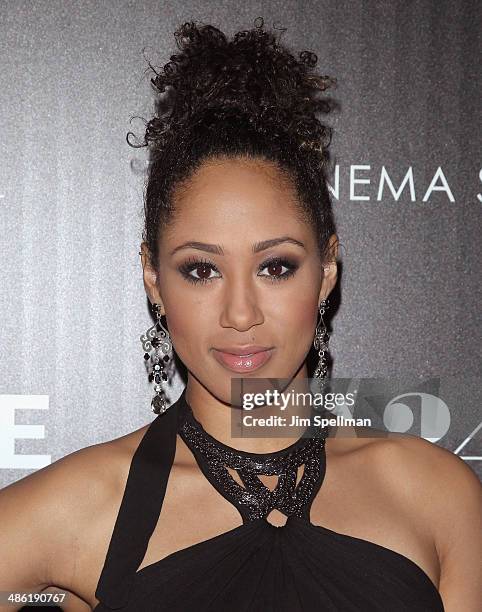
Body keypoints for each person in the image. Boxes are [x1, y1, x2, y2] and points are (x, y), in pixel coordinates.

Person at [0, 17, 480, 612]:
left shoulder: (436, 495)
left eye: (275, 267)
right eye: (201, 270)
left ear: (327, 269)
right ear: (154, 279)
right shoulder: (79, 509)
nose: (240, 313)